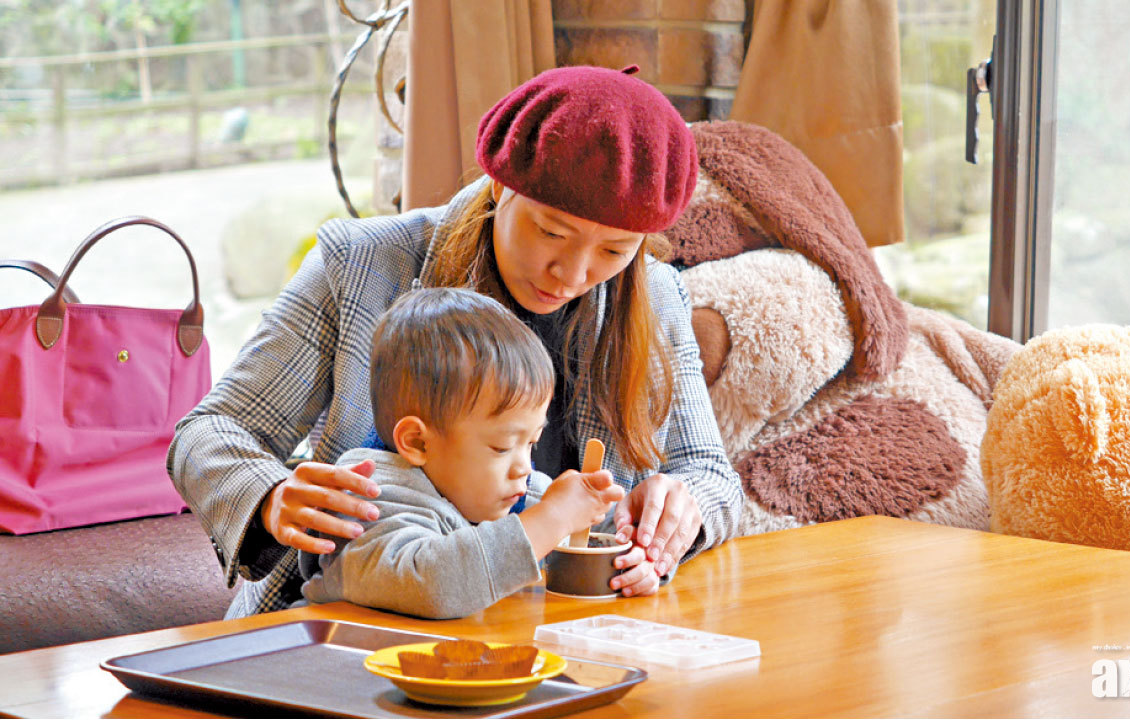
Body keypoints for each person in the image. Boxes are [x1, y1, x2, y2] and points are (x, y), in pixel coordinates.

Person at [169, 64, 743, 617]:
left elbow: (709, 475)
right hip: (350, 628)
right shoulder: (364, 264)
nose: (571, 273)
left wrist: (677, 514)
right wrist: (271, 497)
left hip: (559, 625)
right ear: (499, 184)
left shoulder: (656, 297)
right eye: (550, 232)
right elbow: (209, 433)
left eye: (615, 251)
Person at [296, 287, 637, 618]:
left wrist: (634, 548)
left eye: (531, 443)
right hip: (352, 669)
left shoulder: (518, 492)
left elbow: (599, 529)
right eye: (502, 447)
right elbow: (432, 585)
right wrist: (553, 517)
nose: (524, 468)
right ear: (417, 442)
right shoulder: (368, 497)